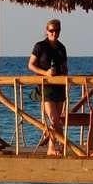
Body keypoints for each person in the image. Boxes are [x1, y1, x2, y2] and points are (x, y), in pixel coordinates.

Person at [28, 19, 68, 155]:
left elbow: (65, 66)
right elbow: (31, 65)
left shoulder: (61, 48)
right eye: (51, 30)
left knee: (58, 120)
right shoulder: (40, 46)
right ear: (47, 31)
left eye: (57, 30)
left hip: (60, 86)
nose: (54, 33)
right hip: (46, 86)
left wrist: (62, 72)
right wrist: (46, 73)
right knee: (54, 118)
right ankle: (52, 148)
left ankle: (61, 146)